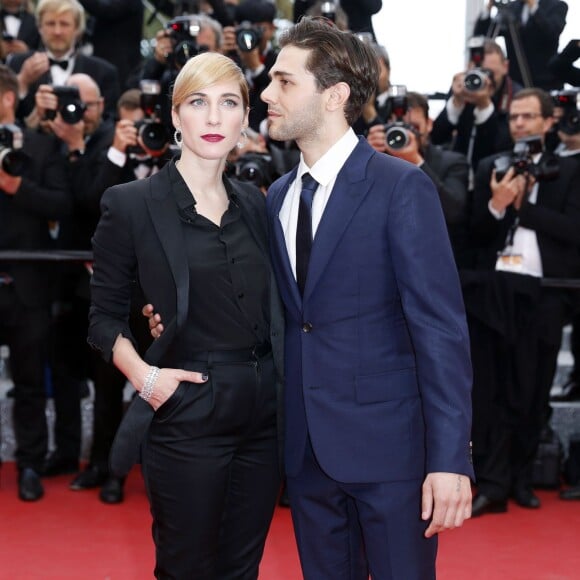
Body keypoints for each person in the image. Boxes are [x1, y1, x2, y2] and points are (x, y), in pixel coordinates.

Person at [260, 17, 472, 578]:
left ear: (334, 96)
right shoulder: (278, 196)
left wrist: (451, 458)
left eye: (284, 82)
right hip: (307, 453)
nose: (266, 94)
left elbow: (441, 330)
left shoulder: (402, 188)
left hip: (391, 456)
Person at [88, 51, 284, 578]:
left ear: (246, 117)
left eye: (229, 103)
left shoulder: (261, 206)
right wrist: (147, 379)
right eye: (198, 102)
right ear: (175, 116)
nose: (215, 117)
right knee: (186, 568)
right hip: (188, 405)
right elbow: (103, 317)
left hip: (264, 411)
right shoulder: (130, 204)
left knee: (242, 569)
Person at [466, 88, 580, 516]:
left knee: (531, 393)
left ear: (549, 122)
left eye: (529, 117)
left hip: (548, 293)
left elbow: (574, 230)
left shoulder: (569, 172)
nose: (519, 124)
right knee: (492, 391)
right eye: (514, 117)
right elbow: (475, 235)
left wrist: (522, 208)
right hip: (496, 292)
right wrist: (496, 206)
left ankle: (521, 477)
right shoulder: (490, 166)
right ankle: (493, 483)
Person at [0, 63, 71, 501]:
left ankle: (30, 464)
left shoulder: (44, 148)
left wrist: (16, 187)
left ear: (9, 98)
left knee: (29, 381)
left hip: (27, 286)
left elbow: (63, 205)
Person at [367, 91, 470, 267]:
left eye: (413, 127)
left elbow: (454, 211)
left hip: (432, 263)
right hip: (381, 262)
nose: (406, 134)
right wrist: (365, 158)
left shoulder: (453, 161)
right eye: (399, 127)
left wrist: (415, 160)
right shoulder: (375, 160)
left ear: (429, 125)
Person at [7, 0, 120, 122]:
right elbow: (7, 116)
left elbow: (108, 123)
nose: (57, 32)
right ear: (39, 28)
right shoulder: (17, 63)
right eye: (50, 24)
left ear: (77, 29)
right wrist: (23, 82)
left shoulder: (103, 72)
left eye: (64, 24)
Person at [473, 0, 567, 91]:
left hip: (546, 79)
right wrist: (488, 7)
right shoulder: (512, 7)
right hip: (515, 80)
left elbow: (552, 31)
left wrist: (533, 5)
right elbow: (483, 36)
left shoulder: (557, 6)